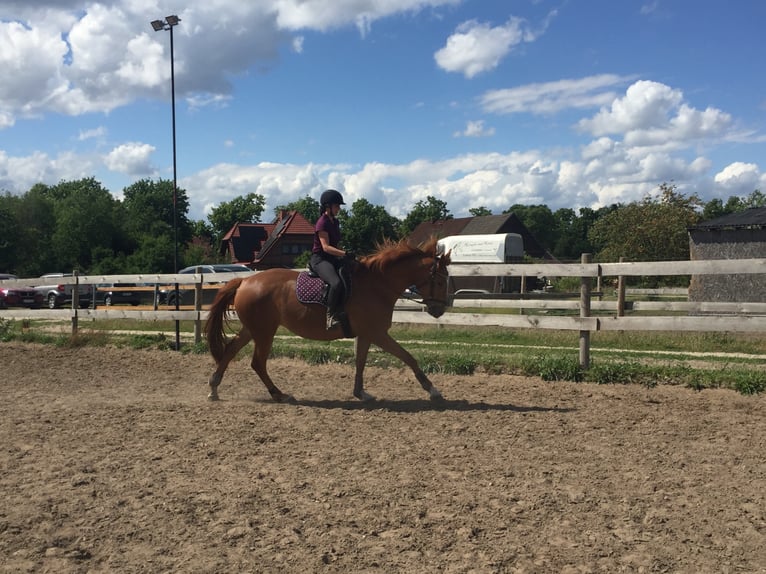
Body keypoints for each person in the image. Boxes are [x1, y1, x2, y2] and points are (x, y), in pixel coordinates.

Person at [311, 189, 351, 329]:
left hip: (332, 258)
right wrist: (344, 253)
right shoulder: (322, 223)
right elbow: (326, 247)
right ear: (328, 207)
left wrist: (348, 254)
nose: (339, 209)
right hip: (320, 260)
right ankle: (330, 316)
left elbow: (336, 244)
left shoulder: (335, 222)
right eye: (337, 206)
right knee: (336, 283)